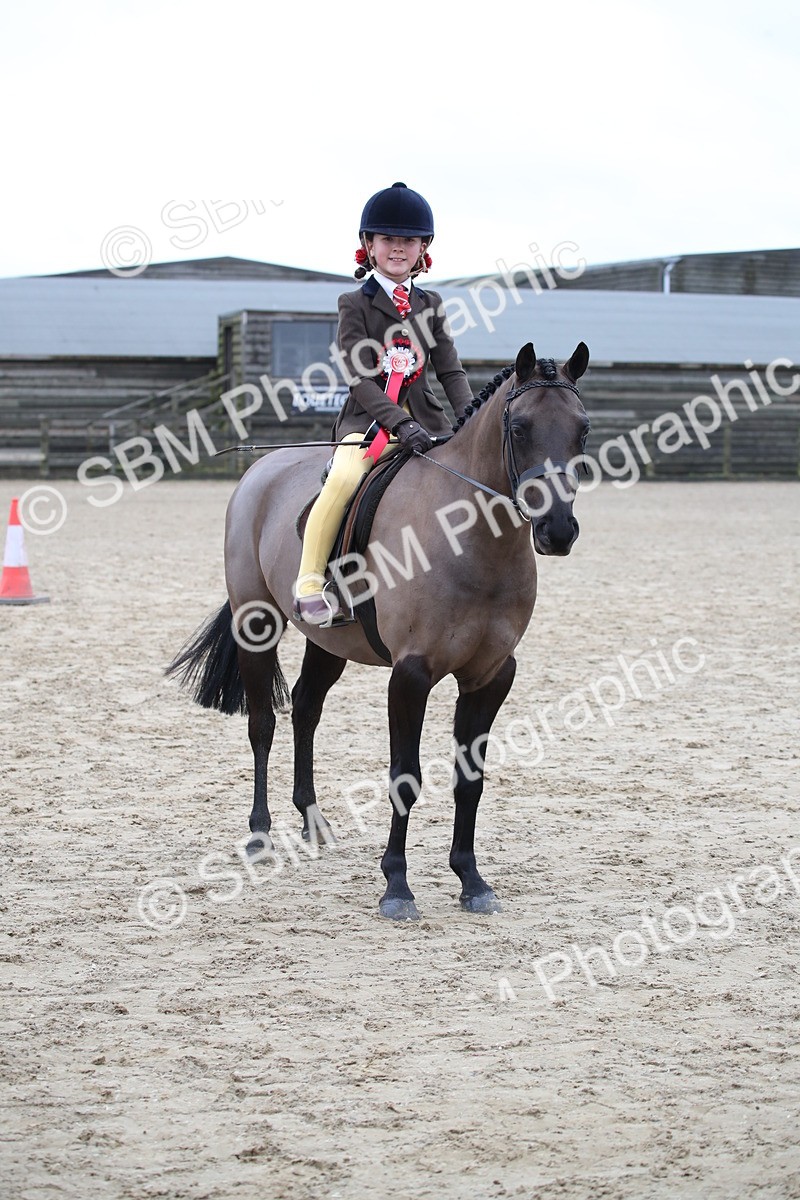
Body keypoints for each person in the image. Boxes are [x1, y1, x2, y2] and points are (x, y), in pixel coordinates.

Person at [293, 181, 474, 626]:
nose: (398, 248)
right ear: (369, 246)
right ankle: (312, 583)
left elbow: (450, 371)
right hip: (368, 425)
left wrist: (470, 418)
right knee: (343, 481)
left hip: (427, 424)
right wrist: (397, 423)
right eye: (388, 239)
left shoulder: (430, 304)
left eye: (408, 240)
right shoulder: (355, 303)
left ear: (422, 249)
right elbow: (358, 377)